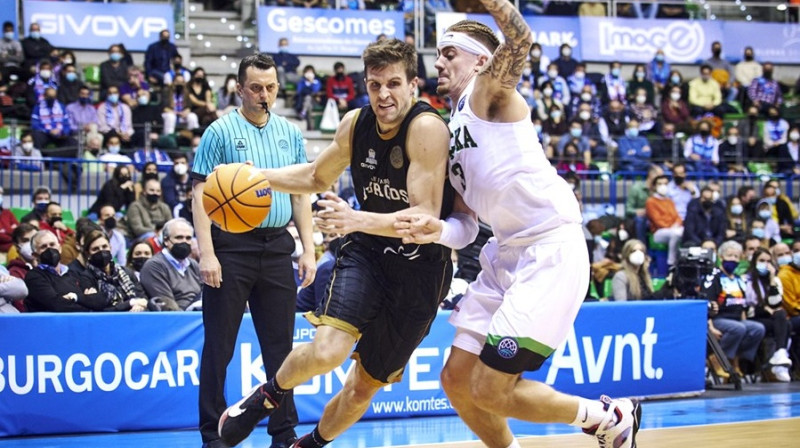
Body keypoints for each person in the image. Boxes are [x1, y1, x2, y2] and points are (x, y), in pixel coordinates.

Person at [394, 7, 639, 448]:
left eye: (449, 53)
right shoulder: (450, 132)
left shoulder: (489, 93)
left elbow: (520, 41)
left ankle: (607, 416)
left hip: (550, 249)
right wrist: (436, 230)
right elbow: (466, 226)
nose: (438, 63)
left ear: (479, 61)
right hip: (504, 253)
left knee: (491, 389)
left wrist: (496, 6)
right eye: (438, 54)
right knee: (456, 380)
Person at [215, 41, 454, 448]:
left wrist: (355, 218)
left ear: (413, 84)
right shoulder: (354, 124)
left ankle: (309, 444)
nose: (384, 95)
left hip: (421, 270)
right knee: (327, 351)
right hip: (368, 255)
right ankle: (266, 396)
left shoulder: (427, 128)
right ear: (365, 83)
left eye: (394, 84)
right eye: (375, 84)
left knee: (362, 388)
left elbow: (425, 218)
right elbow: (314, 177)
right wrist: (257, 176)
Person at [191, 53, 317, 448]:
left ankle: (284, 433)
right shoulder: (219, 131)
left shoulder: (290, 133)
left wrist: (308, 249)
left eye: (272, 87)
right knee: (219, 347)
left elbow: (300, 195)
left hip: (277, 246)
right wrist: (207, 253)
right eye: (257, 87)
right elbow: (199, 194)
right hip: (231, 249)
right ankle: (214, 435)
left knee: (281, 351)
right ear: (240, 88)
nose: (265, 94)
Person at [704, 240, 766, 377]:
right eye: (729, 255)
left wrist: (744, 319)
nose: (733, 259)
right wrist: (711, 328)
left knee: (757, 329)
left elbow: (742, 306)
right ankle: (717, 358)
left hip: (737, 319)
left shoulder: (739, 280)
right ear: (721, 257)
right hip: (718, 319)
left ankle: (736, 359)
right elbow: (708, 303)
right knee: (739, 329)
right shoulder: (714, 277)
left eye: (736, 256)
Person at [24, 229, 103, 312]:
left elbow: (99, 299)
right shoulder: (34, 277)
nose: (49, 249)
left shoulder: (73, 274)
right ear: (35, 255)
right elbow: (56, 304)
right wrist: (87, 302)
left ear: (60, 248)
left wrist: (74, 298)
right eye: (43, 247)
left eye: (52, 244)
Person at [744, 247, 793, 382]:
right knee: (784, 321)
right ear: (754, 262)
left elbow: (775, 302)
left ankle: (779, 355)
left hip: (771, 318)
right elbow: (749, 304)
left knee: (783, 318)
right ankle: (777, 360)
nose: (765, 264)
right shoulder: (747, 279)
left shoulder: (775, 280)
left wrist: (771, 279)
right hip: (754, 317)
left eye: (768, 261)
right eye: (761, 260)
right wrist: (766, 308)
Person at [139, 218, 202, 311]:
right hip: (178, 320)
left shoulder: (193, 264)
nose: (184, 241)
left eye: (188, 238)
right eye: (179, 237)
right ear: (166, 240)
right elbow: (168, 306)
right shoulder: (154, 266)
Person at [79, 229, 149, 312]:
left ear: (110, 248)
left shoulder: (127, 272)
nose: (101, 251)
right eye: (95, 249)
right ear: (87, 253)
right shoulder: (86, 278)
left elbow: (143, 298)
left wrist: (139, 306)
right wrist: (130, 303)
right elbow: (99, 309)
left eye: (105, 247)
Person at [647, 175, 683, 267]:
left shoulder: (669, 201)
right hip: (658, 232)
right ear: (654, 186)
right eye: (660, 184)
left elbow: (678, 217)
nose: (663, 186)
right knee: (676, 234)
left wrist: (677, 224)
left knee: (685, 232)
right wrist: (671, 227)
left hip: (674, 229)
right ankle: (671, 262)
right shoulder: (651, 201)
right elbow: (657, 221)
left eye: (665, 184)